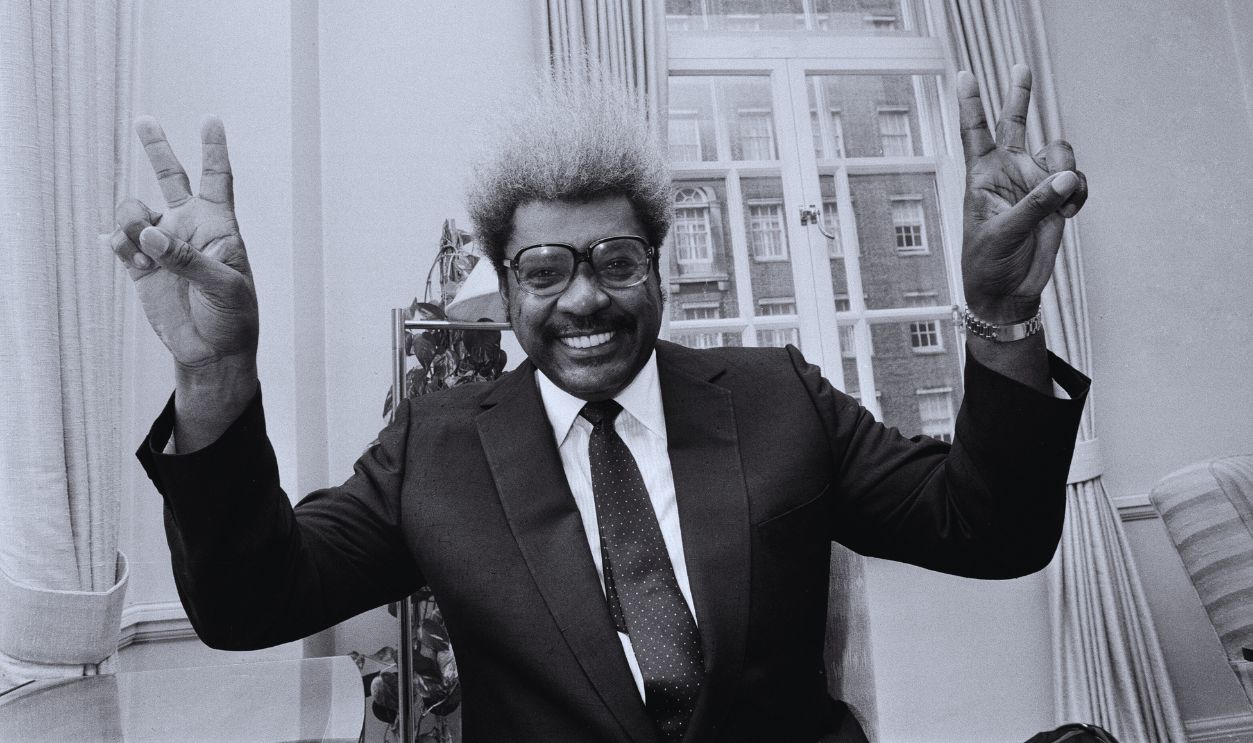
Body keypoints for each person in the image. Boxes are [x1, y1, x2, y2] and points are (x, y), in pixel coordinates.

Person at [111, 64, 1089, 743]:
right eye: (545, 269)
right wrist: (214, 374)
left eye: (615, 260)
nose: (583, 296)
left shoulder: (775, 396)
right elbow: (249, 601)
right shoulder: (434, 448)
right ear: (504, 287)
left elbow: (990, 527)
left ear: (657, 272)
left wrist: (1002, 312)